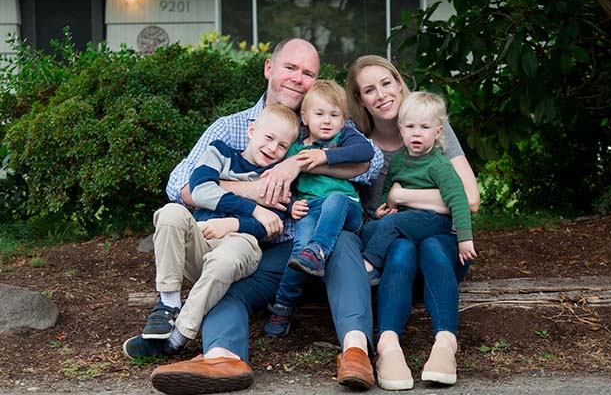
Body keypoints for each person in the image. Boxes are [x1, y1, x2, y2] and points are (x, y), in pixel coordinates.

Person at [136, 39, 384, 394]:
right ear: (269, 68)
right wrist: (254, 191)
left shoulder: (322, 122)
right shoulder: (234, 127)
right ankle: (223, 358)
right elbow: (179, 186)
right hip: (263, 250)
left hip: (318, 248)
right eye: (290, 68)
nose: (298, 79)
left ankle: (357, 352)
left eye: (308, 73)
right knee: (228, 284)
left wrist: (298, 162)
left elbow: (370, 162)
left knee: (341, 239)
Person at [122, 104, 300, 359]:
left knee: (225, 258)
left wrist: (232, 224)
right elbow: (199, 190)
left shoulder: (277, 179)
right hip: (201, 237)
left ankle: (177, 337)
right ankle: (168, 304)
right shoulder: (220, 152)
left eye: (282, 146)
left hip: (241, 244)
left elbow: (271, 226)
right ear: (251, 131)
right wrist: (254, 208)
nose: (273, 148)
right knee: (170, 213)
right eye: (269, 138)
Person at [346, 55, 480, 391]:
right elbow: (371, 208)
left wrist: (403, 197)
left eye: (386, 83)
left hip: (442, 252)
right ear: (360, 100)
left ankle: (445, 345)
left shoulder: (432, 125)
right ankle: (387, 346)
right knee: (404, 248)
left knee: (433, 246)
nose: (381, 94)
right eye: (369, 90)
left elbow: (469, 199)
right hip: (394, 257)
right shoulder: (360, 145)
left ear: (398, 82)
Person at [263, 80, 377, 338]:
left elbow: (365, 150)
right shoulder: (294, 149)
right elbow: (285, 186)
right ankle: (283, 304)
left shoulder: (343, 138)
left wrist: (324, 156)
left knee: (334, 199)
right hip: (310, 208)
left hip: (346, 208)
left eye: (335, 115)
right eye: (319, 114)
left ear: (343, 119)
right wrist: (292, 204)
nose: (327, 121)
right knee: (299, 250)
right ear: (304, 117)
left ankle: (319, 250)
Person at [361, 91, 477, 271]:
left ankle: (369, 266)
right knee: (370, 229)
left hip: (433, 219)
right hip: (408, 218)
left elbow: (459, 199)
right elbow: (387, 190)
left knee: (392, 223)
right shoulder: (398, 160)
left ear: (438, 132)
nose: (416, 133)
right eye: (410, 127)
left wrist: (464, 239)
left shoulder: (438, 164)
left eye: (424, 127)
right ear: (401, 129)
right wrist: (383, 208)